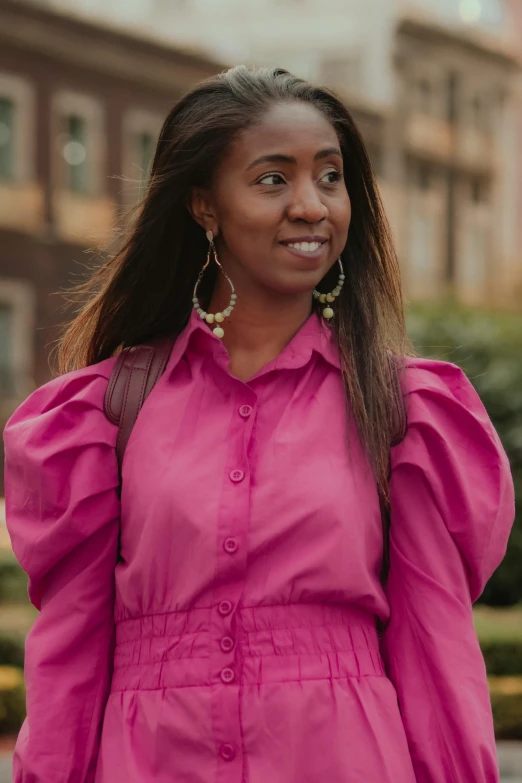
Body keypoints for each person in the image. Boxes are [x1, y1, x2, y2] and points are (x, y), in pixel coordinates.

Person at [3, 66, 515, 783]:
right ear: (205, 206)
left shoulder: (400, 410)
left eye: (329, 177)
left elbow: (437, 648)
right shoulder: (107, 412)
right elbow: (70, 652)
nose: (311, 205)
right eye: (273, 179)